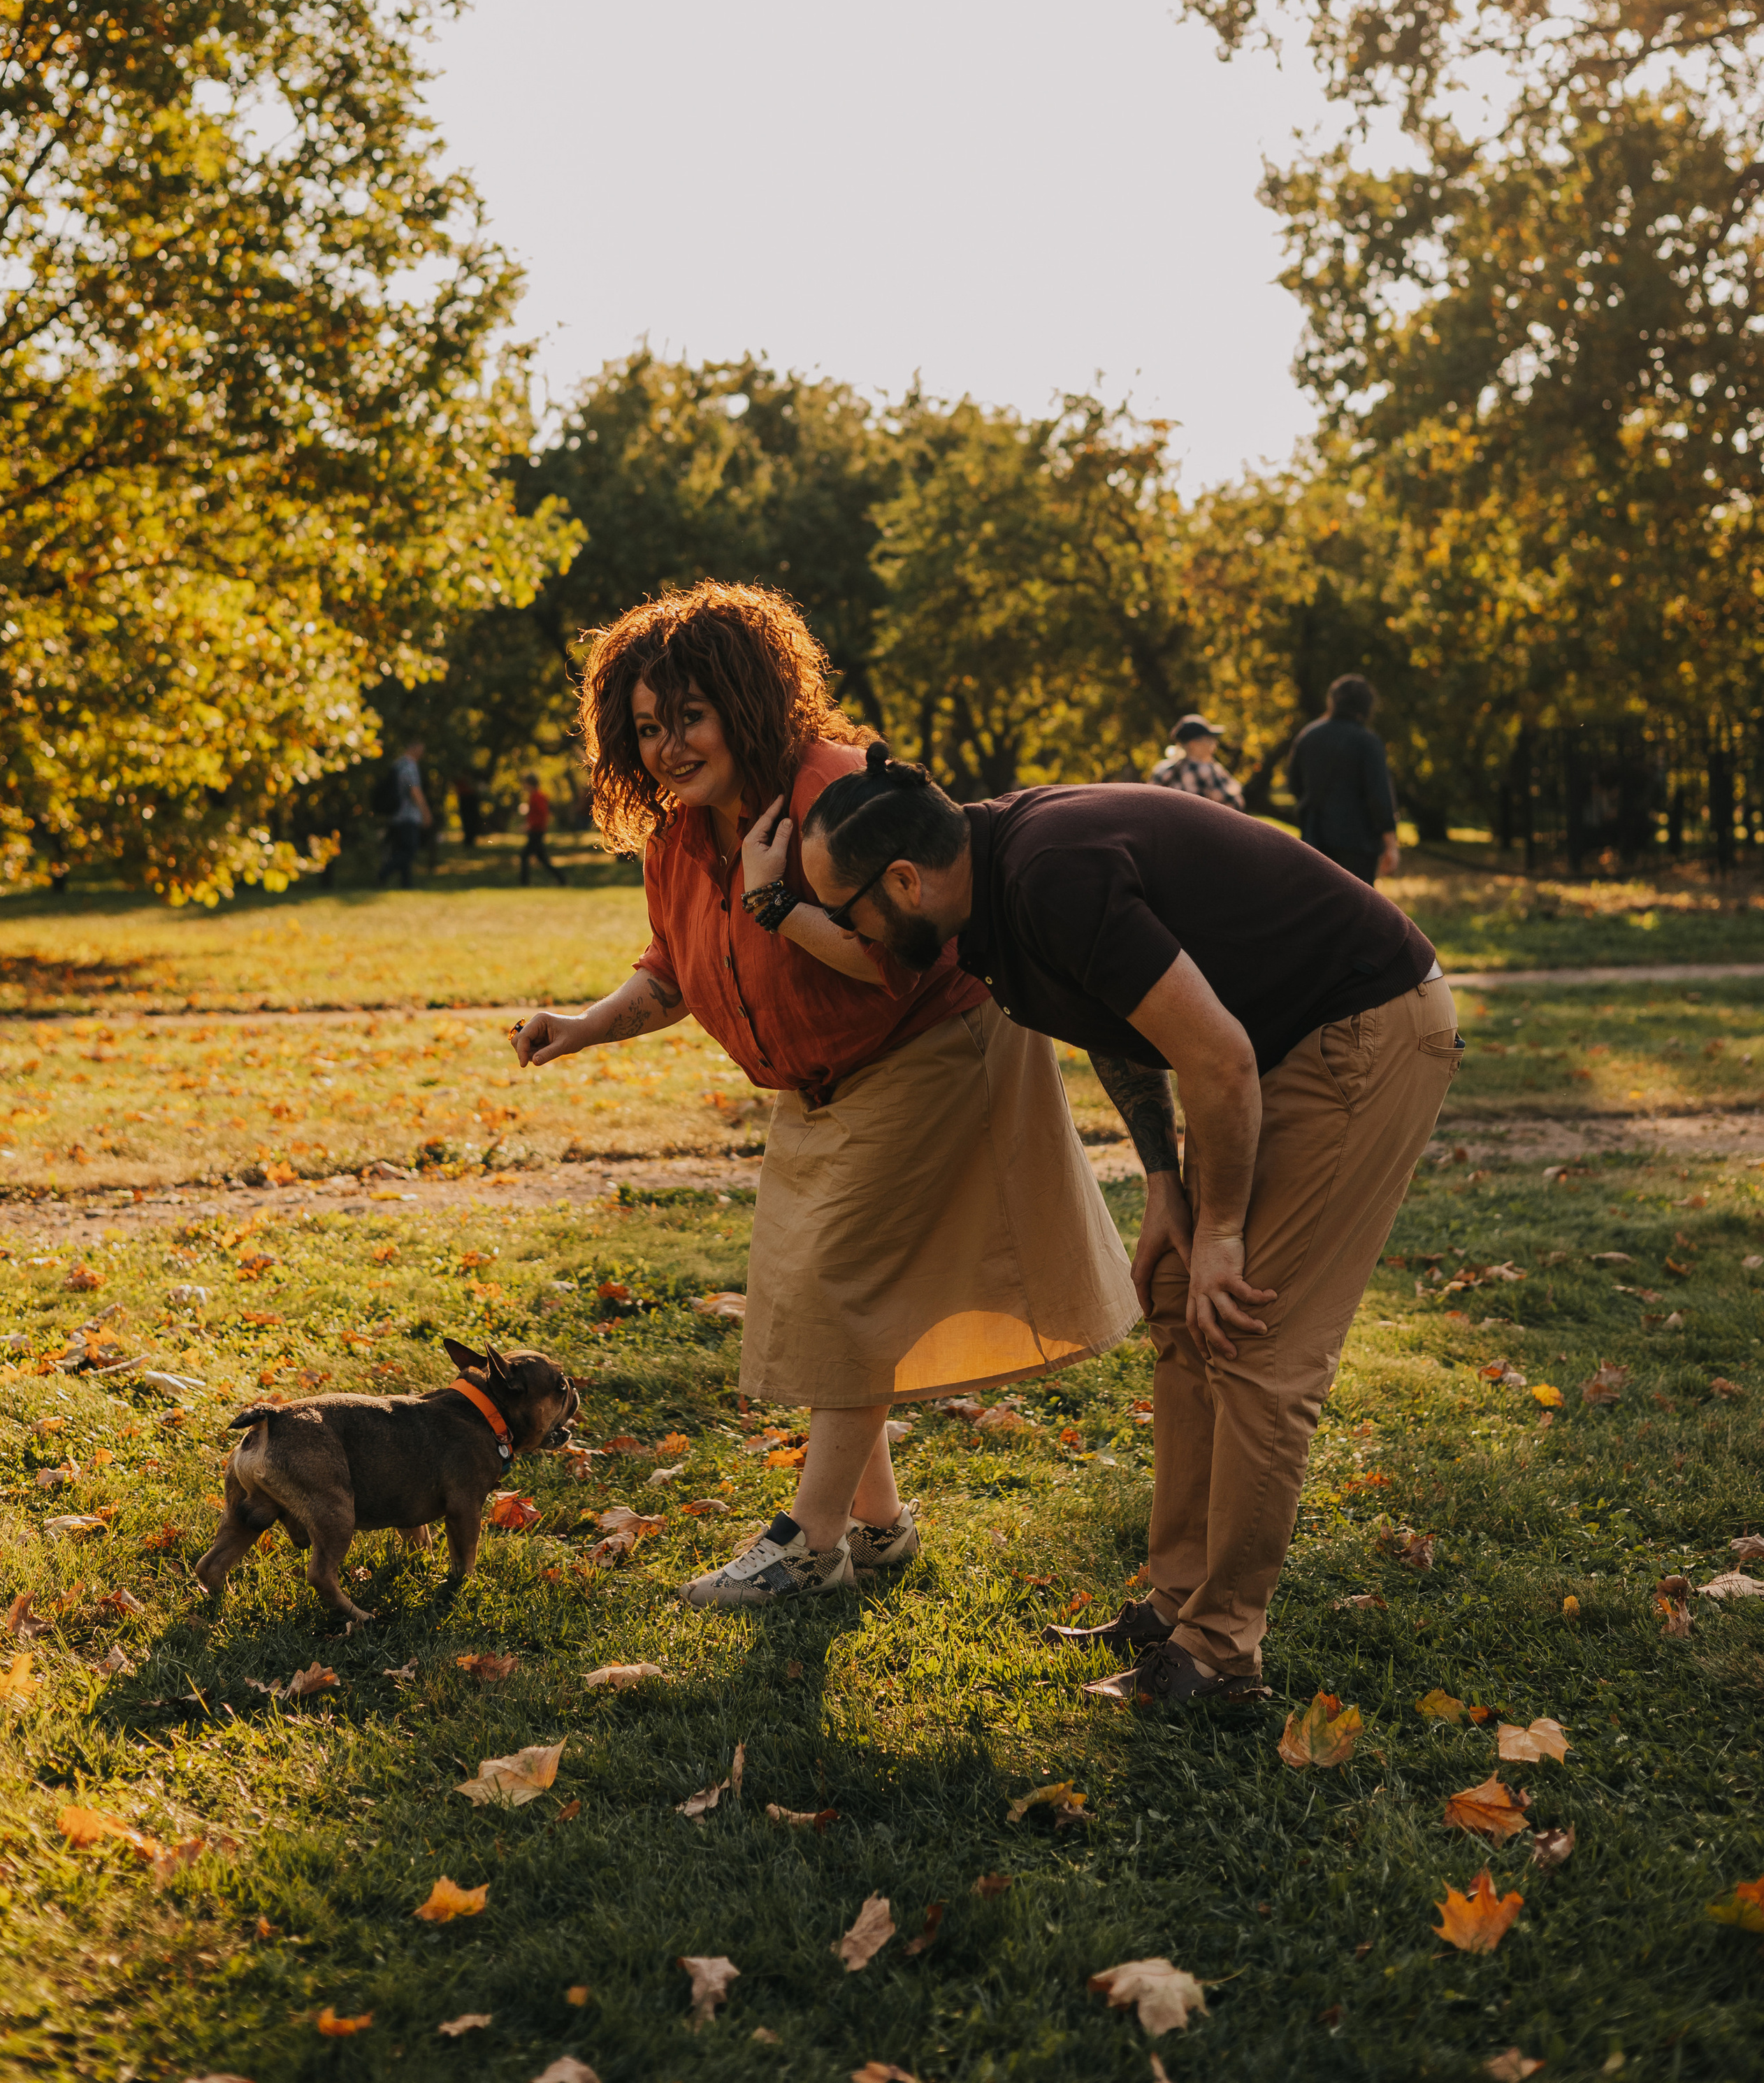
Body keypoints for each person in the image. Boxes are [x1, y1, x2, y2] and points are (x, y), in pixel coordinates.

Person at [509, 585, 1136, 1612]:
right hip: (820, 1084)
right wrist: (582, 1025)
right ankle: (879, 1530)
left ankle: (809, 1544)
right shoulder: (681, 836)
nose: (669, 747)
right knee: (814, 1300)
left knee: (844, 1287)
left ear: (750, 701)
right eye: (650, 728)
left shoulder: (837, 793)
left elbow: (904, 947)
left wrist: (776, 902)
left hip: (935, 1045)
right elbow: (673, 971)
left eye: (692, 717)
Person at [800, 754, 1462, 1705]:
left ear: (902, 880)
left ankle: (1220, 1656)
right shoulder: (986, 887)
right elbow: (1122, 1020)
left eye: (845, 909)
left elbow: (1220, 1059)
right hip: (1269, 1044)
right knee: (1176, 1303)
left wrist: (1223, 1230)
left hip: (1360, 1027)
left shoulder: (1047, 873)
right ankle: (1178, 1604)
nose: (848, 932)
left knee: (1248, 1329)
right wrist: (1164, 1182)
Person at [1288, 677, 1401, 887]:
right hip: (1358, 845)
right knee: (1356, 908)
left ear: (1333, 702)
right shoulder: (1367, 741)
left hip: (1314, 838)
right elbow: (1379, 796)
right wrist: (1391, 845)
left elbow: (1294, 785)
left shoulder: (1308, 736)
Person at [1149, 714, 1245, 811]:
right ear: (1193, 744)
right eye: (1209, 740)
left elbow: (1150, 803)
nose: (1215, 744)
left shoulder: (1162, 769)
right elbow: (1235, 804)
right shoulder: (1206, 769)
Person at [375, 742, 430, 888]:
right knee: (409, 850)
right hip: (407, 815)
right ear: (414, 747)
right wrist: (425, 812)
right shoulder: (409, 766)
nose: (423, 752)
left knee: (401, 849)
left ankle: (406, 884)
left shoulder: (397, 765)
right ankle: (383, 873)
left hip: (395, 815)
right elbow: (414, 791)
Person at [518, 774, 561, 884]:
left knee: (524, 856)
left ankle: (524, 883)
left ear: (530, 784)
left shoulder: (538, 797)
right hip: (535, 830)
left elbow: (542, 814)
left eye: (525, 784)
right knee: (542, 859)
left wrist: (530, 825)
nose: (524, 786)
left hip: (537, 831)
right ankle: (562, 879)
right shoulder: (534, 796)